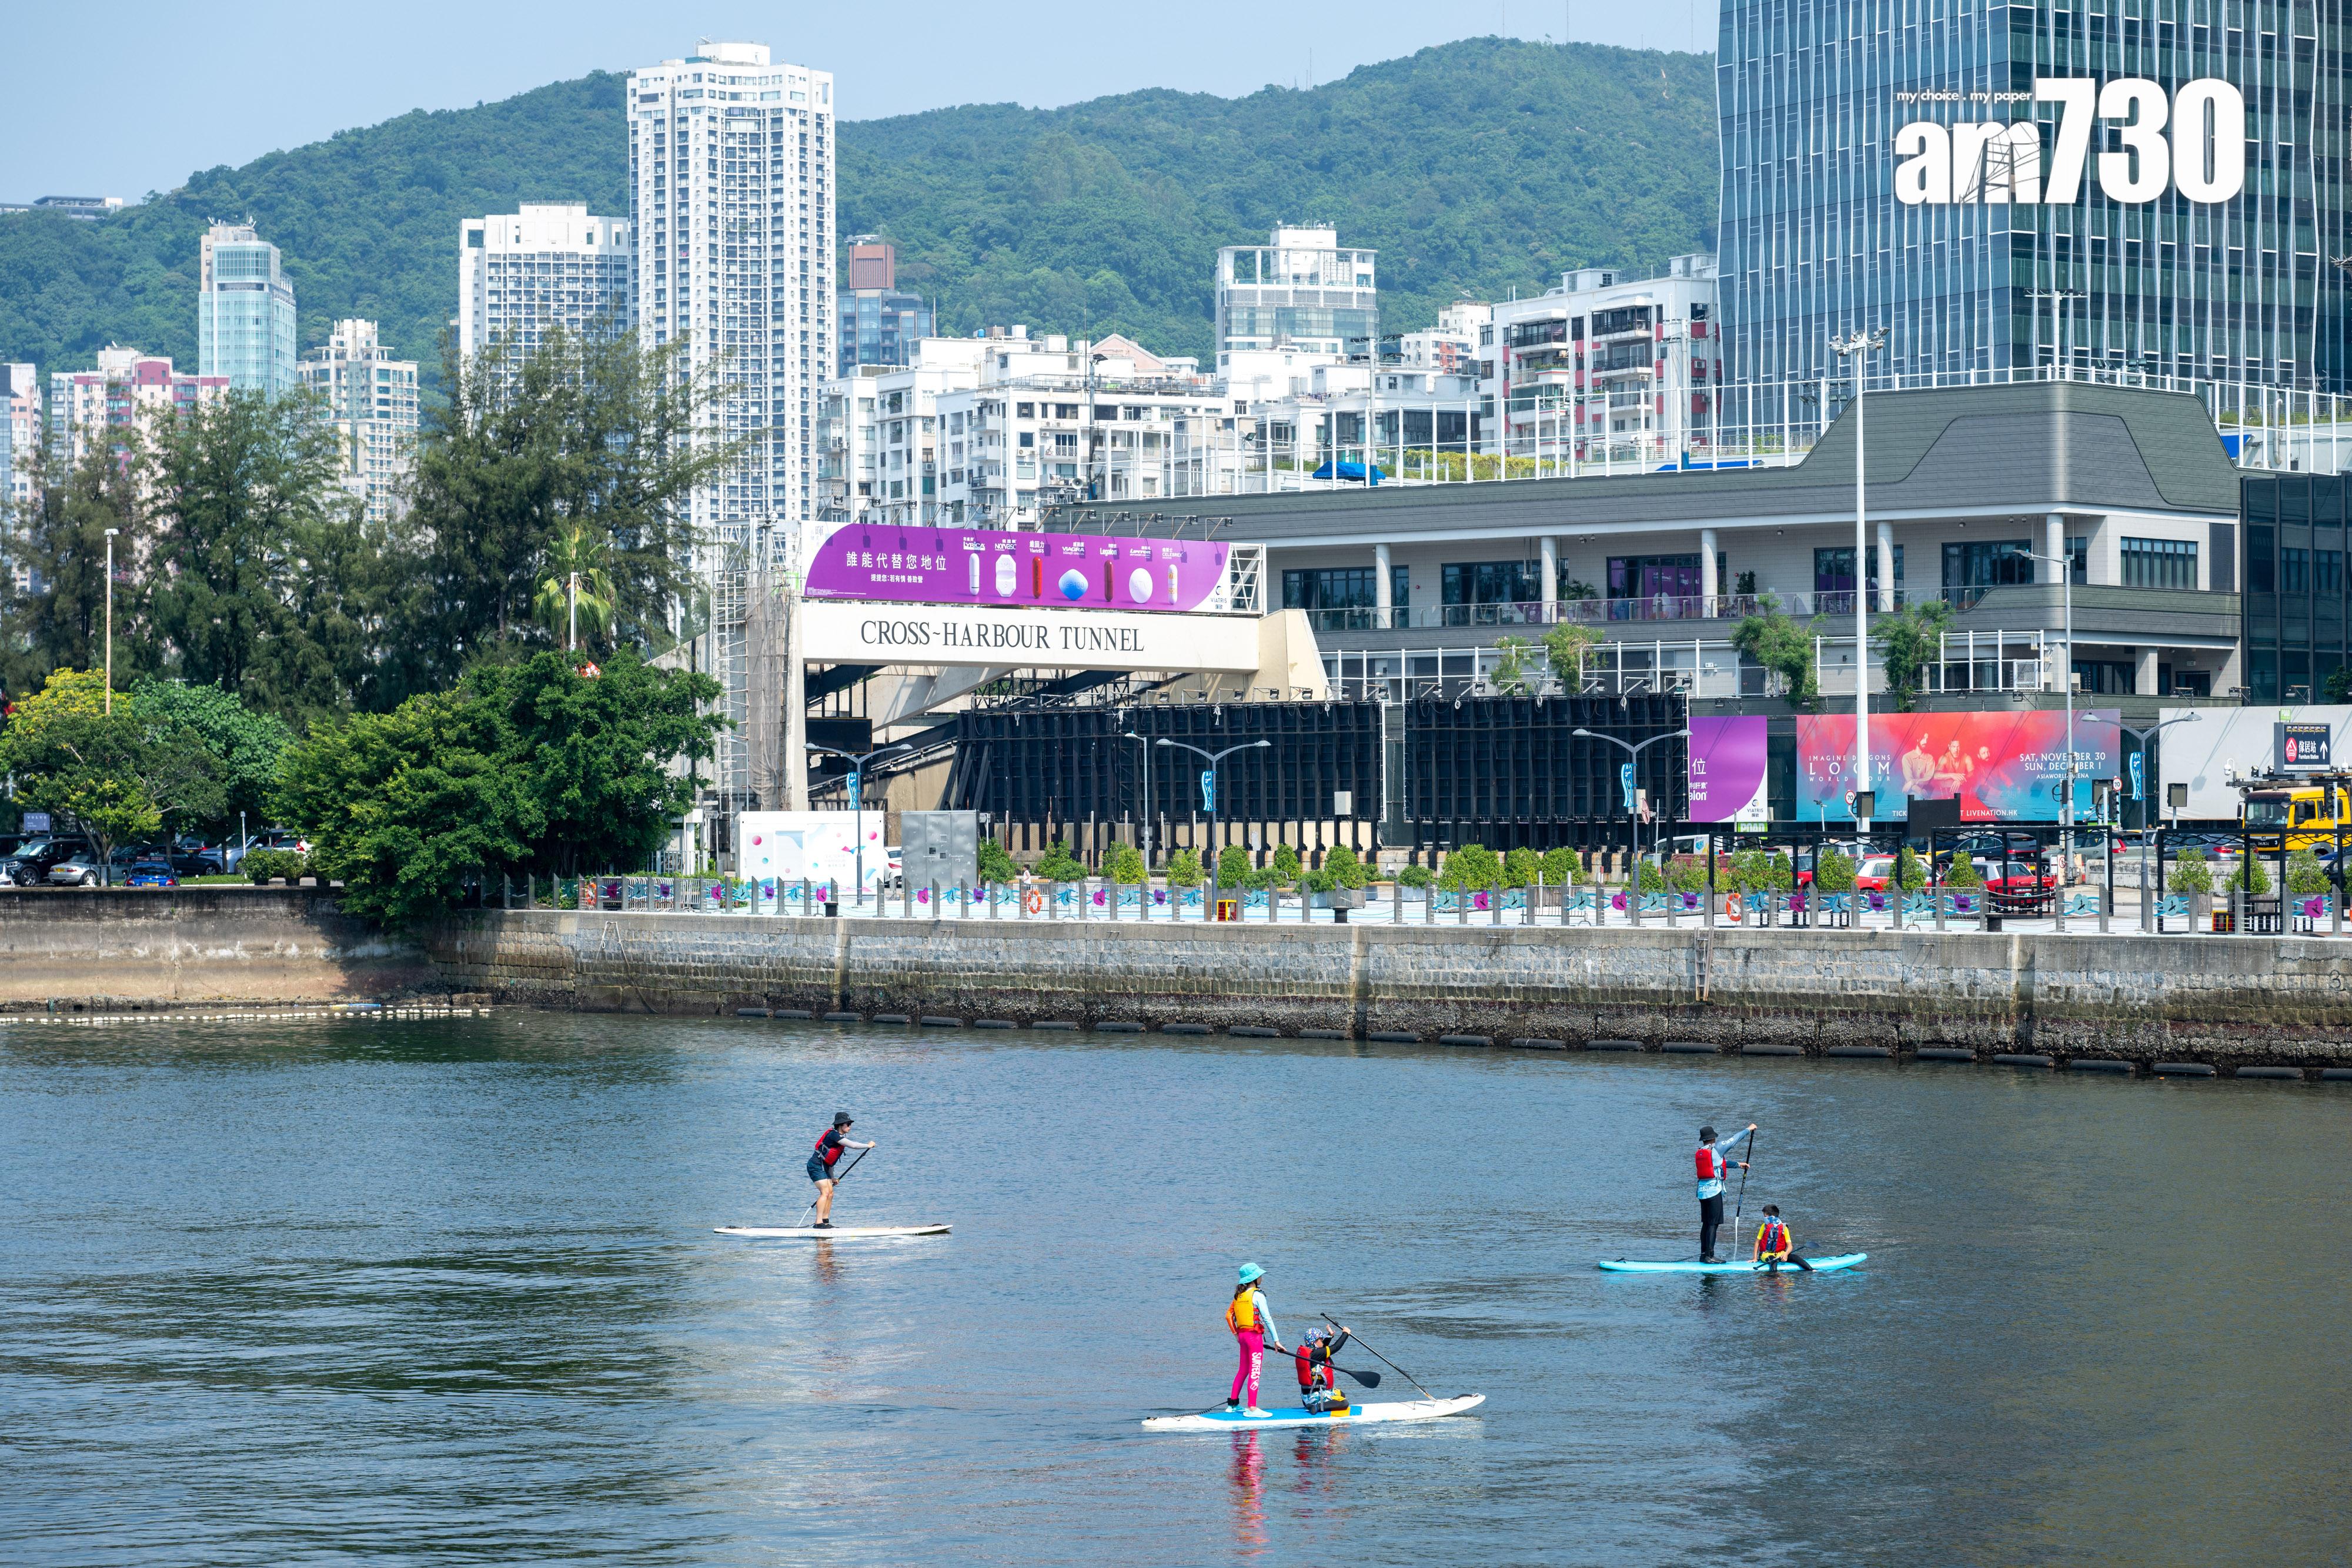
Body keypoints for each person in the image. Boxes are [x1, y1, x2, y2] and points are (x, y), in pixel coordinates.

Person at [1225, 1262, 1285, 1416]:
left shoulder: (1238, 1296)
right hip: (1254, 1338)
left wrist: (1236, 1335)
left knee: (1243, 1370)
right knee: (1255, 1371)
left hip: (1243, 1337)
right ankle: (1252, 1408)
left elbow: (1228, 1316)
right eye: (1260, 1276)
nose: (1261, 1278)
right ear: (1255, 1279)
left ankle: (1233, 1405)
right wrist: (1276, 1341)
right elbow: (1268, 1318)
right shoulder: (1257, 1295)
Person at [1696, 1122, 1755, 1263]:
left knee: (1706, 1223)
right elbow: (1735, 1139)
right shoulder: (1718, 1147)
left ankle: (1703, 1255)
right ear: (1713, 1138)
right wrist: (1749, 1129)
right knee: (1713, 1224)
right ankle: (1710, 1256)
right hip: (1714, 1192)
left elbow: (1718, 1163)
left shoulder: (1702, 1151)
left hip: (1701, 1192)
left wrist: (1738, 1165)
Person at [807, 1111, 876, 1229]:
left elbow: (830, 1161)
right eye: (848, 1124)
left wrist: (832, 1177)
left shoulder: (839, 1139)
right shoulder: (834, 1135)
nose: (850, 1126)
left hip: (825, 1166)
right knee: (825, 1192)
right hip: (815, 1165)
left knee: (831, 1193)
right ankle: (818, 1223)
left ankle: (825, 1222)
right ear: (840, 1125)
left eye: (850, 1124)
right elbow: (853, 1145)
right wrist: (868, 1145)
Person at [1292, 1322, 1353, 1415]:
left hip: (1307, 1397)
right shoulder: (1315, 1354)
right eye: (1321, 1339)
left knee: (1341, 1394)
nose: (1322, 1340)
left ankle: (1315, 1405)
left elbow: (1323, 1349)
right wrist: (1346, 1334)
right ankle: (1317, 1407)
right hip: (1315, 1397)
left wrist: (1330, 1336)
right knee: (1344, 1403)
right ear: (1315, 1342)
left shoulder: (1310, 1352)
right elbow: (1335, 1348)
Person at [1752, 1203, 1814, 1273]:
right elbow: (1757, 1242)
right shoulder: (1764, 1227)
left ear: (1771, 1217)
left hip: (1780, 1254)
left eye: (1765, 1216)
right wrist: (1755, 1258)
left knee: (1796, 1257)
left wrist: (1786, 1254)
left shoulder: (1784, 1228)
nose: (1764, 1219)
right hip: (1766, 1254)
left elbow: (1790, 1246)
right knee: (1773, 1260)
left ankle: (1812, 1270)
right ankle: (1774, 1277)